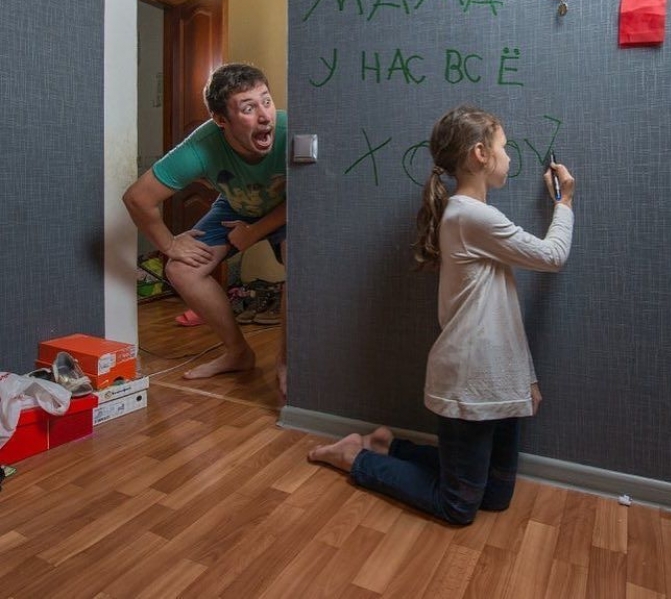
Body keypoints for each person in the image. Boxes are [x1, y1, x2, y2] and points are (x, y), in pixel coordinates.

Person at [308, 104, 574, 524]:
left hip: (499, 376)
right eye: (504, 147)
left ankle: (388, 446)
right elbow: (553, 255)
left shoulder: (475, 216)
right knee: (458, 508)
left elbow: (500, 313)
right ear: (479, 155)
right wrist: (565, 202)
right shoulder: (471, 215)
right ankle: (355, 457)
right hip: (469, 379)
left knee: (496, 497)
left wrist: (526, 379)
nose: (510, 157)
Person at [122, 62, 288, 393]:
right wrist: (169, 245)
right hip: (236, 204)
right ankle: (238, 353)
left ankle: (289, 363)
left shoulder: (289, 132)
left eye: (266, 101)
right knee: (181, 270)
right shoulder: (201, 147)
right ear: (221, 120)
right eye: (248, 107)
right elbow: (138, 198)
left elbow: (312, 196)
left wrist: (253, 232)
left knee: (302, 265)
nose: (265, 115)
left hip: (289, 207)